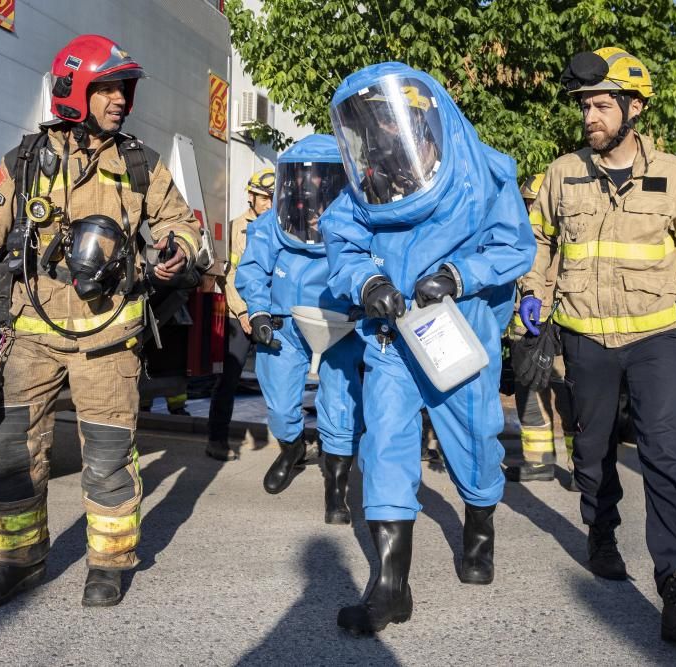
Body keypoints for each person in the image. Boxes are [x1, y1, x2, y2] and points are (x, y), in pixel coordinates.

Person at [0, 35, 202, 609]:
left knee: (108, 456)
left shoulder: (140, 164)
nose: (121, 100)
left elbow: (183, 222)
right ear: (75, 90)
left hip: (107, 341)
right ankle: (18, 562)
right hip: (32, 337)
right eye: (108, 88)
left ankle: (108, 563)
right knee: (9, 455)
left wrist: (178, 246)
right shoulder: (27, 160)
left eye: (123, 89)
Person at [519, 48, 676, 645]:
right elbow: (538, 242)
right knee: (594, 453)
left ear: (634, 108)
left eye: (601, 105)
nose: (590, 117)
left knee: (666, 456)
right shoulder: (560, 173)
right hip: (584, 338)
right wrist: (532, 294)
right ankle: (600, 529)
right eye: (585, 107)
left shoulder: (673, 175)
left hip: (653, 337)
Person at [321, 62, 535, 635]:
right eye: (374, 123)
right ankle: (391, 589)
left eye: (392, 119)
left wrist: (458, 274)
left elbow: (514, 245)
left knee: (476, 440)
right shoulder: (368, 183)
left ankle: (479, 527)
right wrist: (369, 283)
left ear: (423, 115)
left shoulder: (482, 171)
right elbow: (342, 243)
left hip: (455, 331)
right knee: (385, 442)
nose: (385, 132)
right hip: (390, 335)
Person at [235, 135, 364, 523]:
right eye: (306, 181)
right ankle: (291, 449)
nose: (313, 189)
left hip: (339, 323)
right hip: (284, 324)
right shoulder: (270, 225)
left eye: (323, 181)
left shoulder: (356, 225)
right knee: (278, 402)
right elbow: (253, 270)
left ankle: (336, 490)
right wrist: (257, 313)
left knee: (341, 402)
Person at [506, 173, 578, 490]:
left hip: (559, 328)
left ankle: (582, 468)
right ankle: (538, 462)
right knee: (530, 396)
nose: (531, 208)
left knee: (571, 397)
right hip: (527, 332)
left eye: (534, 202)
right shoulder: (520, 236)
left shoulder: (566, 239)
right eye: (527, 203)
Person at [205, 169, 275, 461]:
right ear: (251, 196)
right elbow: (230, 275)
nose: (269, 204)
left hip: (270, 313)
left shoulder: (278, 226)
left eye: (272, 198)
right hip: (240, 314)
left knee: (277, 379)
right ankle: (216, 440)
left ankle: (288, 441)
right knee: (229, 379)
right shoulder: (236, 228)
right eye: (264, 199)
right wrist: (244, 311)